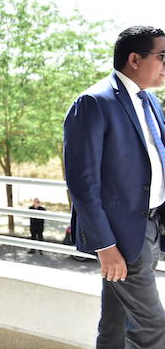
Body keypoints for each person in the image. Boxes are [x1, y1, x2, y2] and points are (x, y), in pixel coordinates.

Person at [64, 25, 165, 348]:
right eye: (162, 56)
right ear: (135, 59)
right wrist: (105, 246)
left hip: (151, 226)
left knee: (115, 323)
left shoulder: (150, 102)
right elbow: (82, 183)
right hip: (121, 236)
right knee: (153, 327)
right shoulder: (94, 102)